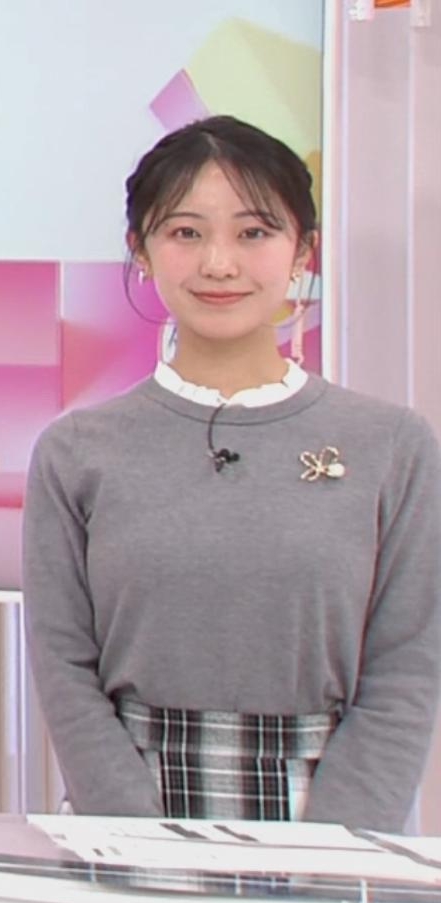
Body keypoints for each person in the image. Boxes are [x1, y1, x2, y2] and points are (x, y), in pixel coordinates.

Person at [23, 115, 441, 831]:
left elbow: (405, 666)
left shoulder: (391, 444)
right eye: (186, 232)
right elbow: (64, 665)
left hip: (334, 826)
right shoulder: (76, 451)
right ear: (141, 249)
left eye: (254, 232)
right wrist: (134, 832)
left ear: (302, 249)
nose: (219, 264)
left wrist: (335, 846)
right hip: (127, 821)